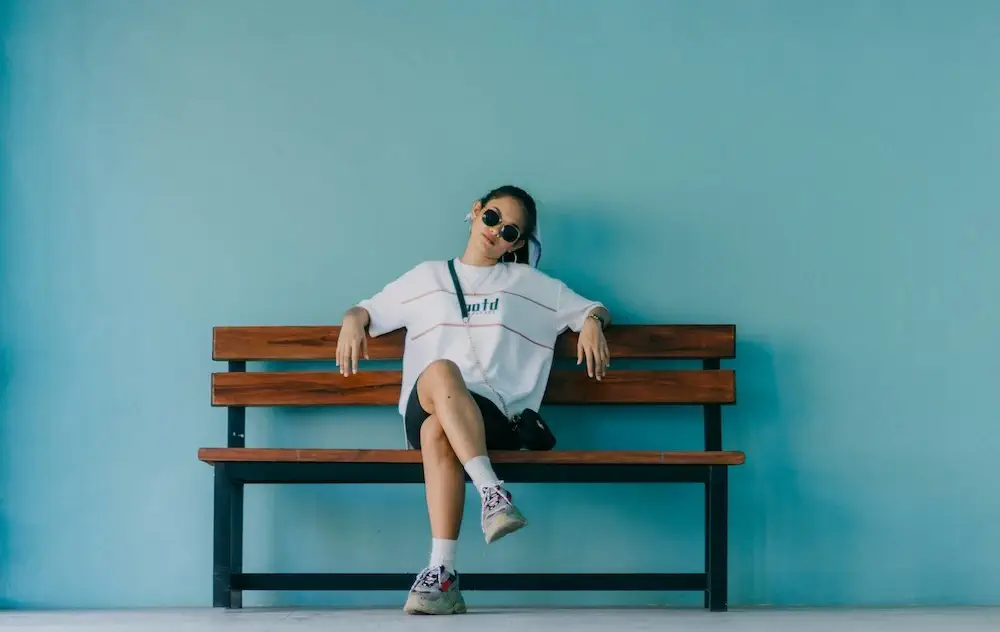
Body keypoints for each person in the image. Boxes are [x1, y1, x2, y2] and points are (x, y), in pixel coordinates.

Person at [335, 185, 611, 615]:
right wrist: (352, 318)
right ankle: (493, 494)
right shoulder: (426, 278)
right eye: (493, 218)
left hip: (492, 419)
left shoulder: (529, 284)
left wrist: (592, 320)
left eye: (510, 232)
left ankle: (441, 576)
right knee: (442, 372)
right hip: (426, 399)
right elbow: (368, 310)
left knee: (437, 431)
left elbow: (591, 308)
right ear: (476, 212)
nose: (497, 232)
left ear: (517, 244)